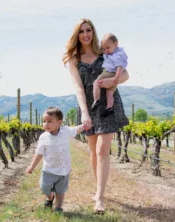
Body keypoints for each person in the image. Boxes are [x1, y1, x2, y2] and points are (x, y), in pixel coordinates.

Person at [63, 18, 129, 214]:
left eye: (88, 30)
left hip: (108, 104)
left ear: (93, 32)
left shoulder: (105, 52)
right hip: (88, 107)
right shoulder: (74, 60)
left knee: (102, 150)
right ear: (77, 35)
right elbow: (78, 88)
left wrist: (113, 81)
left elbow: (126, 75)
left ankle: (100, 197)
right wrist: (84, 111)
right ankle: (99, 188)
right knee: (93, 152)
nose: (85, 34)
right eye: (82, 31)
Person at [26, 107, 84, 212]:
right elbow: (39, 154)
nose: (46, 124)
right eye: (44, 121)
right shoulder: (43, 137)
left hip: (64, 170)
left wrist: (84, 125)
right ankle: (50, 197)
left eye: (49, 121)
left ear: (59, 122)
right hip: (49, 170)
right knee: (44, 187)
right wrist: (32, 166)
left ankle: (58, 207)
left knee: (60, 191)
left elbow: (76, 130)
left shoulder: (65, 131)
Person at [91, 33, 128, 117]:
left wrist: (116, 78)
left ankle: (96, 100)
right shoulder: (116, 53)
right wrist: (115, 79)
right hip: (114, 75)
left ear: (116, 44)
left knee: (96, 83)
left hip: (109, 73)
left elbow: (120, 67)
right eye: (104, 49)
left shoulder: (117, 55)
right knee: (110, 93)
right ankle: (109, 108)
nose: (106, 51)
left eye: (108, 48)